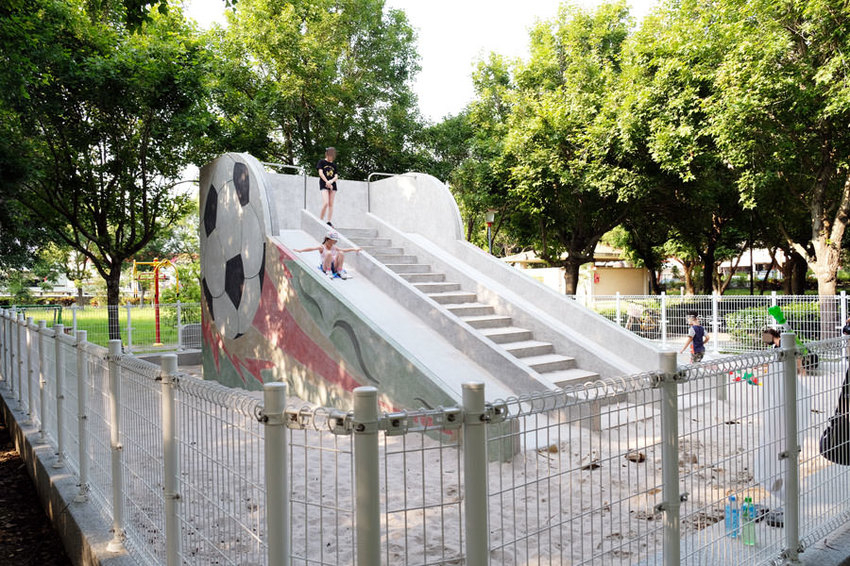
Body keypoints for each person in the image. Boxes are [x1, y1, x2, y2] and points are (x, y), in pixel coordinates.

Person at [294, 230, 361, 280]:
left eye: (335, 241)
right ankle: (328, 271)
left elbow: (343, 250)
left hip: (334, 267)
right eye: (333, 240)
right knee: (329, 253)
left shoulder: (334, 247)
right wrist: (300, 250)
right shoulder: (322, 247)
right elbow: (311, 249)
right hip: (325, 267)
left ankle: (339, 270)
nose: (334, 242)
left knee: (341, 252)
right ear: (327, 239)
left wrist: (354, 249)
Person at [317, 147, 339, 227]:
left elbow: (336, 176)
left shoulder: (334, 165)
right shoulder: (322, 162)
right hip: (324, 183)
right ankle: (320, 220)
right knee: (326, 202)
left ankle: (329, 221)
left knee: (331, 204)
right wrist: (327, 182)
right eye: (330, 155)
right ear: (326, 154)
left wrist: (331, 182)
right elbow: (320, 173)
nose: (331, 157)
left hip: (332, 185)